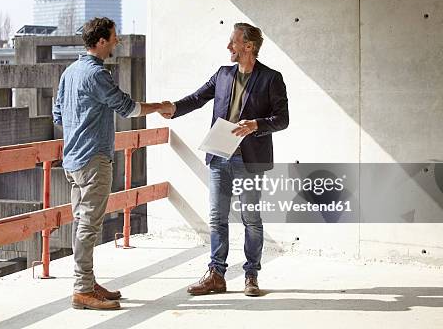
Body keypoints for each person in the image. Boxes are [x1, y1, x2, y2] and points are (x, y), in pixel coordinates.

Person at [159, 22, 289, 296]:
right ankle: (216, 275)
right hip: (219, 156)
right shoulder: (223, 74)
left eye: (233, 42)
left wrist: (256, 124)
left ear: (248, 46)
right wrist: (173, 108)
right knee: (217, 217)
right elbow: (197, 98)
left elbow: (282, 119)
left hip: (250, 160)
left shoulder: (271, 78)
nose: (229, 47)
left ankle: (251, 275)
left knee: (250, 218)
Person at [53, 17, 168, 310]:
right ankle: (82, 290)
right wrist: (160, 107)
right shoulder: (96, 75)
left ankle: (87, 282)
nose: (117, 41)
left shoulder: (70, 72)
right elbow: (127, 107)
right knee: (89, 225)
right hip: (93, 160)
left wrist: (80, 124)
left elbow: (57, 115)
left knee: (82, 222)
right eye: (114, 37)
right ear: (101, 41)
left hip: (72, 160)